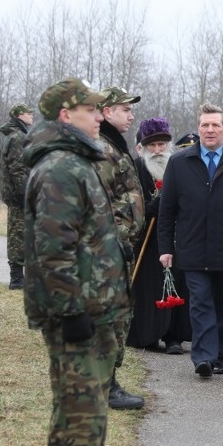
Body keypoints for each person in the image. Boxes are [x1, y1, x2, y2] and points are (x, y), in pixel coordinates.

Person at [22, 77, 131, 446]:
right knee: (77, 410)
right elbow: (53, 251)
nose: (98, 116)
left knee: (87, 410)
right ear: (67, 115)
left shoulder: (79, 162)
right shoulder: (61, 168)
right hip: (77, 314)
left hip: (95, 307)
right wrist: (69, 311)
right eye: (91, 110)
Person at [158, 104, 223, 378]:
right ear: (198, 129)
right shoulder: (180, 162)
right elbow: (167, 209)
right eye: (205, 125)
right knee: (201, 302)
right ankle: (204, 356)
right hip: (192, 248)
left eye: (215, 125)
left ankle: (221, 352)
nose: (209, 129)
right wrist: (166, 249)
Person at [97, 87, 146, 410]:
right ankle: (104, 386)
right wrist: (122, 234)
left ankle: (108, 381)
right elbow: (101, 202)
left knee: (118, 315)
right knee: (109, 316)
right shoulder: (101, 148)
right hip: (109, 250)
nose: (130, 115)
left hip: (121, 245)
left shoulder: (116, 144)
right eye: (124, 110)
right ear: (105, 112)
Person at [126, 118, 190, 354]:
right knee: (149, 285)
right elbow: (133, 203)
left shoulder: (180, 165)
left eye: (161, 145)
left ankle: (174, 337)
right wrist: (155, 204)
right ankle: (148, 334)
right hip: (147, 237)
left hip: (176, 235)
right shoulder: (135, 168)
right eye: (152, 145)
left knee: (178, 283)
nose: (157, 150)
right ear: (143, 147)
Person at [0, 103, 34, 290]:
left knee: (19, 235)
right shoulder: (18, 137)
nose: (32, 115)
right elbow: (18, 169)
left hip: (17, 195)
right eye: (29, 113)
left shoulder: (14, 136)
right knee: (19, 237)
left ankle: (21, 279)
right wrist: (25, 195)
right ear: (20, 115)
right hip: (20, 196)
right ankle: (17, 280)